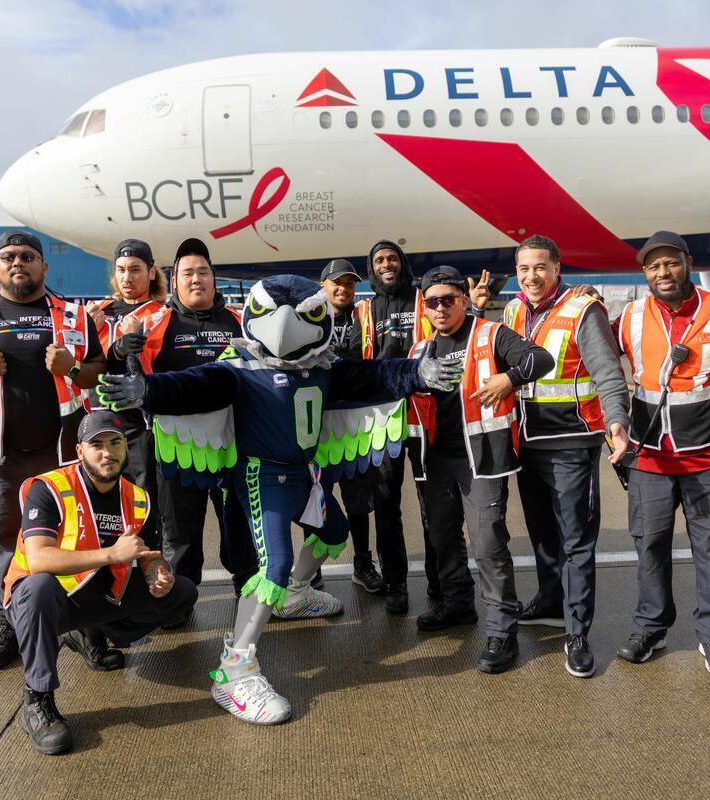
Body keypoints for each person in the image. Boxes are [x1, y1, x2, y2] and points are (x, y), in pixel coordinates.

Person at [96, 274, 462, 724]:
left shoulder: (325, 364)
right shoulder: (238, 366)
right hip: (261, 476)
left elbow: (372, 375)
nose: (286, 327)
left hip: (306, 476)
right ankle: (234, 669)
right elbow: (193, 384)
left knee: (334, 533)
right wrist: (147, 391)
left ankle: (293, 595)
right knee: (271, 565)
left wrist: (416, 374)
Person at [0, 230, 106, 670]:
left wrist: (71, 367)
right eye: (9, 257)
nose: (19, 263)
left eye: (28, 256)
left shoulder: (73, 315)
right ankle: (11, 625)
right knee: (8, 545)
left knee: (77, 538)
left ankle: (83, 628)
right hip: (2, 459)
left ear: (43, 267)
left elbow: (96, 373)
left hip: (64, 458)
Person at [2, 410, 198, 754]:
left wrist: (158, 575)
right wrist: (110, 555)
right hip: (43, 602)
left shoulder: (137, 498)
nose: (107, 452)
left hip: (95, 595)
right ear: (80, 451)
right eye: (97, 445)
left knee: (183, 592)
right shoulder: (48, 488)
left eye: (115, 443)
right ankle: (38, 699)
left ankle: (92, 634)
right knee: (39, 586)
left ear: (126, 447)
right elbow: (39, 560)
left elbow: (147, 555)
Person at [613, 231, 710, 679]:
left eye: (671, 264)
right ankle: (650, 628)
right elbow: (602, 368)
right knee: (649, 547)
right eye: (654, 267)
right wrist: (614, 428)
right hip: (650, 459)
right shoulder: (630, 317)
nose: (663, 273)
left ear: (687, 264)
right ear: (645, 273)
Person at [406, 267, 553, 674]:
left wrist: (509, 376)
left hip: (481, 460)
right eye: (432, 301)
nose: (440, 308)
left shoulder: (491, 334)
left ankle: (502, 630)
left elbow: (541, 359)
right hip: (435, 461)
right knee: (441, 539)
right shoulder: (420, 350)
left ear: (464, 301)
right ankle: (457, 606)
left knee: (488, 545)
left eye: (448, 299)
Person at [501, 235, 631, 679]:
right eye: (524, 269)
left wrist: (617, 421)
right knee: (541, 533)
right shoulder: (514, 310)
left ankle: (577, 632)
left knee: (576, 540)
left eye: (540, 268)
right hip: (527, 442)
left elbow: (609, 373)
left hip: (572, 442)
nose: (531, 277)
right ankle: (551, 602)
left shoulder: (582, 310)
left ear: (557, 269)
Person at [356, 241, 491, 613]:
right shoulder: (364, 310)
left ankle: (439, 586)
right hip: (382, 422)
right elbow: (354, 362)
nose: (387, 265)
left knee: (433, 509)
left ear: (403, 264)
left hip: (422, 419)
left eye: (393, 259)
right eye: (379, 260)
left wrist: (476, 306)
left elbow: (456, 332)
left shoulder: (424, 301)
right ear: (372, 267)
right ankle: (396, 584)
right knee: (385, 506)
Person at [118, 238, 251, 597]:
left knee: (238, 527)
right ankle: (181, 598)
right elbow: (127, 373)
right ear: (174, 280)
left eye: (203, 272)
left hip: (232, 450)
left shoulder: (241, 322)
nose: (197, 280)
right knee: (180, 533)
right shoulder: (153, 322)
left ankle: (248, 586)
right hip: (177, 450)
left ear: (214, 279)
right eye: (188, 273)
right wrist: (123, 350)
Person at [85, 239, 166, 500]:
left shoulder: (162, 315)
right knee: (101, 496)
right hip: (96, 418)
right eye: (121, 269)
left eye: (135, 269)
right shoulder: (97, 312)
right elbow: (74, 365)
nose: (126, 277)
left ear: (151, 272)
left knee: (141, 496)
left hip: (138, 423)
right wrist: (85, 329)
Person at [321, 258, 383, 593]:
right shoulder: (309, 320)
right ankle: (312, 571)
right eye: (337, 282)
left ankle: (363, 562)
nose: (343, 288)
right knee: (316, 501)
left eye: (349, 283)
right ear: (323, 286)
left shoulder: (364, 317)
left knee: (359, 502)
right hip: (319, 428)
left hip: (356, 427)